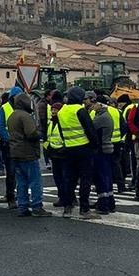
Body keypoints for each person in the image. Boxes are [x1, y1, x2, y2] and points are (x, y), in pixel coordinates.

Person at [51, 87, 98, 219]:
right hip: (83, 148)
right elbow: (90, 130)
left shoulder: (62, 111)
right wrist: (94, 146)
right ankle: (84, 209)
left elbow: (60, 130)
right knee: (85, 179)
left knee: (69, 179)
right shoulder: (80, 110)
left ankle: (67, 207)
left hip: (68, 149)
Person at [7, 91, 50, 217]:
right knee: (35, 181)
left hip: (15, 152)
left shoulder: (12, 116)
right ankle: (37, 206)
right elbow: (31, 133)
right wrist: (40, 133)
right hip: (28, 152)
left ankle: (23, 206)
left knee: (22, 182)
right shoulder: (25, 116)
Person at [92, 95, 117, 215]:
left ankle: (103, 204)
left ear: (100, 104)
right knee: (107, 176)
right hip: (107, 148)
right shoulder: (107, 116)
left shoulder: (101, 118)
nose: (93, 105)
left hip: (101, 149)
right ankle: (110, 202)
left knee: (101, 177)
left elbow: (91, 129)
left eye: (95, 103)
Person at [0, 88, 20, 205]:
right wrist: (9, 139)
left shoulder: (22, 106)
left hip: (20, 145)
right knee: (11, 172)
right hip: (9, 145)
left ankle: (20, 196)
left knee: (21, 172)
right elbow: (0, 127)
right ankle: (11, 197)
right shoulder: (5, 108)